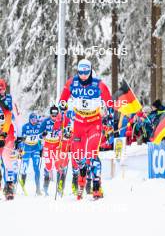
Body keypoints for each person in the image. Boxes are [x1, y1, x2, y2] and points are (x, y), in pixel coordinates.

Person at [59, 59, 114, 200]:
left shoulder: (98, 84)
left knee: (92, 154)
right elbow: (62, 100)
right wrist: (62, 106)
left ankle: (96, 185)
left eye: (86, 72)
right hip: (78, 124)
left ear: (90, 71)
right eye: (81, 72)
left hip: (94, 123)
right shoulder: (71, 82)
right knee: (78, 158)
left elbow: (109, 102)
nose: (83, 75)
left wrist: (110, 117)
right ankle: (82, 176)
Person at [39, 105, 63, 196]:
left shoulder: (60, 121)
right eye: (52, 115)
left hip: (57, 145)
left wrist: (62, 133)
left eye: (55, 115)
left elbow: (65, 131)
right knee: (48, 166)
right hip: (48, 145)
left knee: (58, 165)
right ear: (50, 114)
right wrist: (43, 134)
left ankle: (60, 188)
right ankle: (45, 188)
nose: (54, 117)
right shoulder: (46, 121)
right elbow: (39, 134)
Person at [0, 79, 16, 200]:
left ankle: (9, 186)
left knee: (7, 161)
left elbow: (9, 114)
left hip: (7, 133)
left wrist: (4, 134)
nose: (1, 90)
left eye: (2, 88)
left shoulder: (8, 98)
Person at [20, 113, 42, 195]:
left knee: (36, 168)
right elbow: (22, 138)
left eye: (35, 119)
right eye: (32, 119)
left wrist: (41, 147)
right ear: (29, 119)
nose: (34, 121)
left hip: (35, 148)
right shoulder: (25, 126)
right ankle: (23, 187)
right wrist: (21, 148)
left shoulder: (39, 126)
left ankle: (38, 188)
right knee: (24, 167)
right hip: (27, 149)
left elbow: (41, 137)